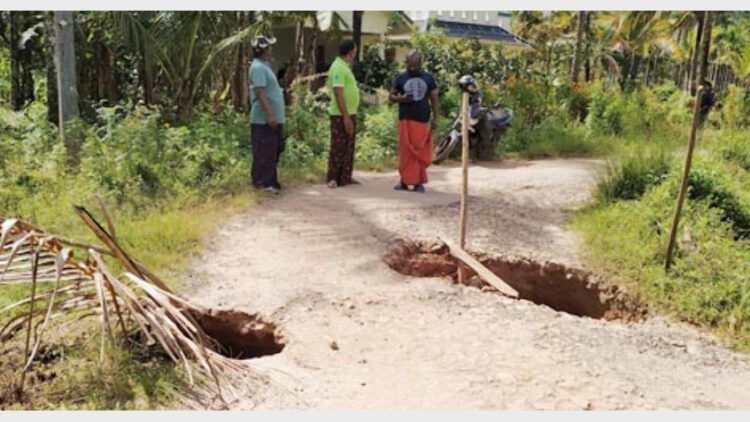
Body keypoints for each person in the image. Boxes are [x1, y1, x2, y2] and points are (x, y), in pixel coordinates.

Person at [389, 50, 439, 193]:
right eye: (410, 66)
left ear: (420, 64)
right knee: (405, 152)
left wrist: (436, 118)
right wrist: (401, 99)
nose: (412, 68)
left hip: (421, 120)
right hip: (405, 119)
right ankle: (404, 181)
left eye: (415, 66)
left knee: (419, 151)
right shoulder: (400, 78)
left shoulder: (429, 78)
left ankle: (418, 182)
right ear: (406, 63)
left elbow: (434, 99)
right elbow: (391, 97)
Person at [249, 35, 285, 194]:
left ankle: (270, 180)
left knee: (274, 149)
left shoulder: (265, 66)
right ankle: (262, 183)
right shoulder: (257, 68)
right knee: (264, 150)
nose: (271, 50)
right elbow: (260, 91)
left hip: (273, 117)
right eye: (269, 47)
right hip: (263, 119)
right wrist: (270, 114)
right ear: (264, 49)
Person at [326, 39, 361, 189]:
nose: (355, 54)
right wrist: (345, 116)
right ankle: (333, 177)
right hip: (340, 114)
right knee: (338, 146)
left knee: (348, 145)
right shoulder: (338, 67)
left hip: (350, 112)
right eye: (354, 51)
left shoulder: (345, 67)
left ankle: (345, 176)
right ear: (350, 51)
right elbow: (338, 92)